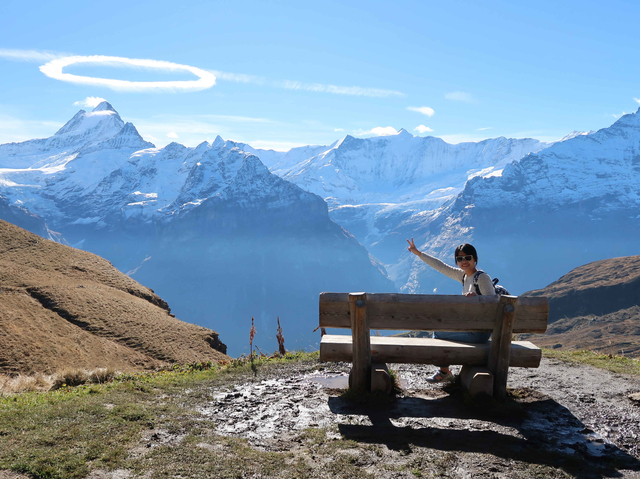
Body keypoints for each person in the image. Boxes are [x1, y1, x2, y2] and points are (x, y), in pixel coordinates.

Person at [406, 238, 496, 383]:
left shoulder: (482, 278)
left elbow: (493, 305)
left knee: (438, 334)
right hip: (471, 328)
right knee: (439, 331)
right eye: (459, 258)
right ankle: (445, 370)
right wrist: (418, 253)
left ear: (475, 259)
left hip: (480, 333)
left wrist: (478, 299)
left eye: (467, 257)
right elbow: (441, 266)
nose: (464, 261)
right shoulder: (464, 276)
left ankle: (445, 372)